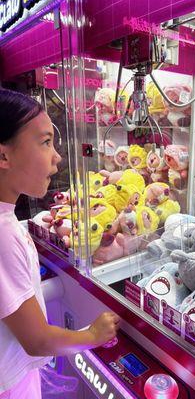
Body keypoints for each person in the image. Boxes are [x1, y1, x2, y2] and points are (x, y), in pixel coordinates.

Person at [0, 89, 120, 398]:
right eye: (45, 142)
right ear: (3, 156)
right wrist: (91, 335)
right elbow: (37, 340)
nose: (57, 157)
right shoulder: (3, 235)